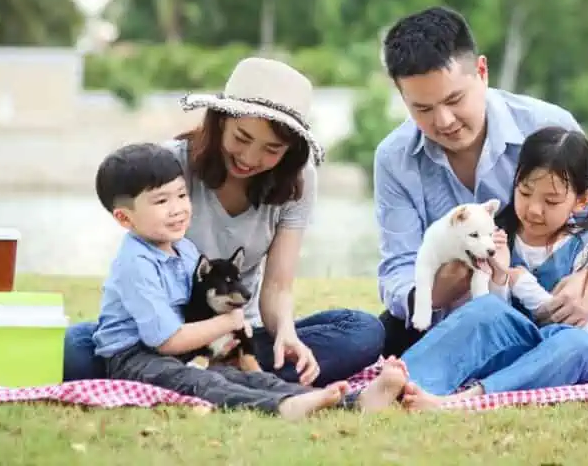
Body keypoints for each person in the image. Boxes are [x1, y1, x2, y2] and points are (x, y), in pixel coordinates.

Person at [374, 6, 588, 381]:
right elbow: (397, 268)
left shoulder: (549, 125)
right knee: (390, 334)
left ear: (482, 72)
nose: (444, 122)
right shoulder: (394, 158)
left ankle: (544, 357)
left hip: (558, 303)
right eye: (422, 108)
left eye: (454, 100)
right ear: (402, 96)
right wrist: (441, 288)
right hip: (462, 309)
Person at [64, 57, 386, 387]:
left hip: (235, 336)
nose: (249, 159)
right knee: (75, 349)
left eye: (271, 149)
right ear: (220, 123)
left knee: (362, 332)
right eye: (242, 138)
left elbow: (277, 285)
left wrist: (286, 335)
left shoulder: (299, 180)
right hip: (164, 335)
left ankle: (215, 374)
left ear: (290, 151)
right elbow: (142, 267)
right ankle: (220, 378)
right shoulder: (170, 167)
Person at [90, 141, 407, 418]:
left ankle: (352, 401)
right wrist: (228, 322)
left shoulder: (183, 250)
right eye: (161, 201)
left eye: (182, 195)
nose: (178, 209)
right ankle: (280, 407)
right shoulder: (136, 263)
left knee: (247, 374)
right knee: (205, 382)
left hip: (185, 347)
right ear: (124, 218)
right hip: (134, 356)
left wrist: (236, 332)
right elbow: (167, 340)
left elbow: (201, 308)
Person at [395, 125, 588, 410]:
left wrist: (522, 284)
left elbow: (579, 326)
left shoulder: (585, 247)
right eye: (525, 192)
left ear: (582, 200)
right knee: (481, 312)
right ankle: (397, 382)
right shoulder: (498, 237)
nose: (533, 209)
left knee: (572, 345)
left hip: (570, 351)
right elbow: (494, 315)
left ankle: (460, 401)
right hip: (519, 348)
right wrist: (500, 277)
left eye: (551, 201)